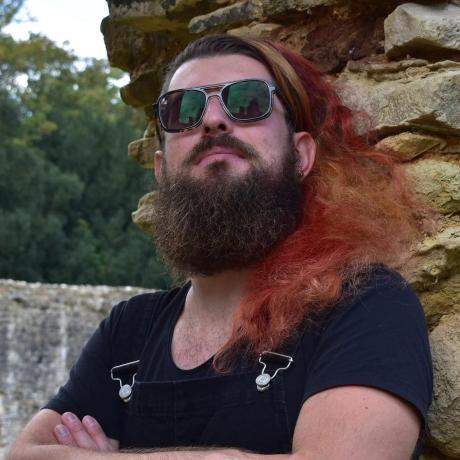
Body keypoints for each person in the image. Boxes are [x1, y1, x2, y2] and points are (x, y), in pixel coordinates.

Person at [8, 34, 433, 460]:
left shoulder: (364, 304)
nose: (212, 121)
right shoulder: (128, 334)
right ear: (161, 169)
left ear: (301, 155)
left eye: (247, 102)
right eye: (183, 111)